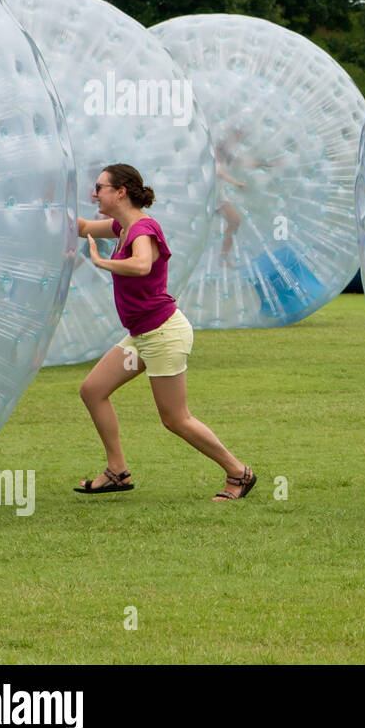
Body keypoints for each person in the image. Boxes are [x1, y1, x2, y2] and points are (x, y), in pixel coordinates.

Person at [74, 163, 256, 501]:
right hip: (143, 335)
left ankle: (239, 473)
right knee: (93, 390)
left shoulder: (143, 228)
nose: (94, 193)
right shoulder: (121, 226)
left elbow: (142, 265)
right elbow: (82, 225)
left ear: (121, 192)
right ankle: (118, 471)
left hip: (163, 335)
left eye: (99, 187)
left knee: (175, 419)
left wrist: (103, 263)